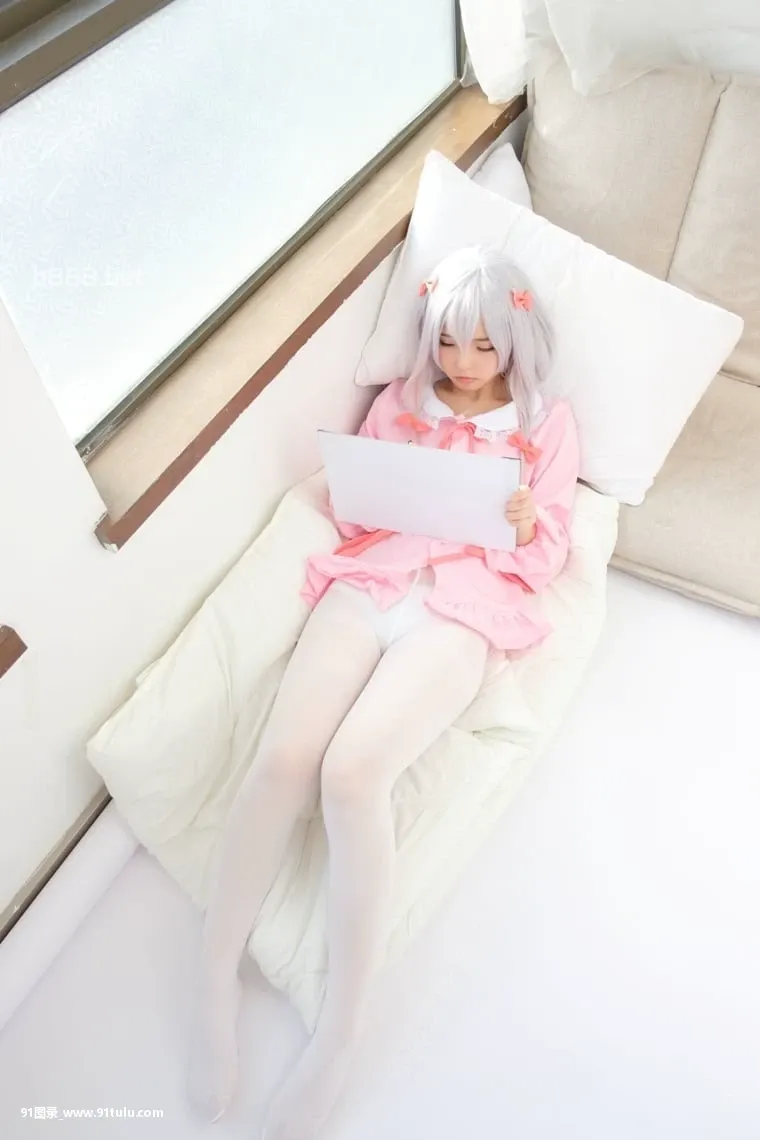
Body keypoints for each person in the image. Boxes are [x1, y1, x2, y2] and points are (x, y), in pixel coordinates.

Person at [187, 245, 580, 1139]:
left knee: (353, 774)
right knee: (285, 757)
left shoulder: (545, 424)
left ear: (516, 341)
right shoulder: (400, 402)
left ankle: (341, 1029)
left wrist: (527, 524)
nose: (463, 362)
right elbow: (356, 507)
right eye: (448, 340)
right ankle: (212, 972)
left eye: (484, 344)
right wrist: (372, 486)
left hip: (464, 606)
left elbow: (551, 553)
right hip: (372, 579)